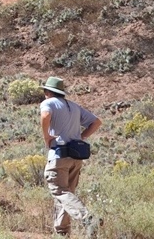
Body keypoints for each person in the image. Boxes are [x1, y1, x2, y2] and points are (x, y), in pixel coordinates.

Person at [39, 77, 103, 237]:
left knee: (59, 191)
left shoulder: (48, 103)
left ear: (47, 92)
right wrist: (81, 137)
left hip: (59, 155)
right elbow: (96, 122)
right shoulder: (74, 106)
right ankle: (62, 233)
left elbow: (45, 116)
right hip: (75, 157)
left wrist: (47, 137)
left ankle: (87, 218)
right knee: (67, 195)